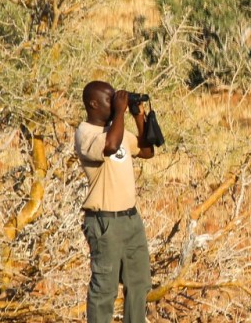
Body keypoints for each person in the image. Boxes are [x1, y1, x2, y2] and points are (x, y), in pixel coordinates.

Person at [75, 81, 155, 323]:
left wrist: (137, 115)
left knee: (139, 284)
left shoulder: (116, 129)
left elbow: (146, 151)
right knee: (105, 289)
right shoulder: (86, 133)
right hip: (104, 223)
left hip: (131, 220)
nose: (114, 103)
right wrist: (119, 112)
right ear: (93, 104)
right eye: (110, 100)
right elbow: (109, 146)